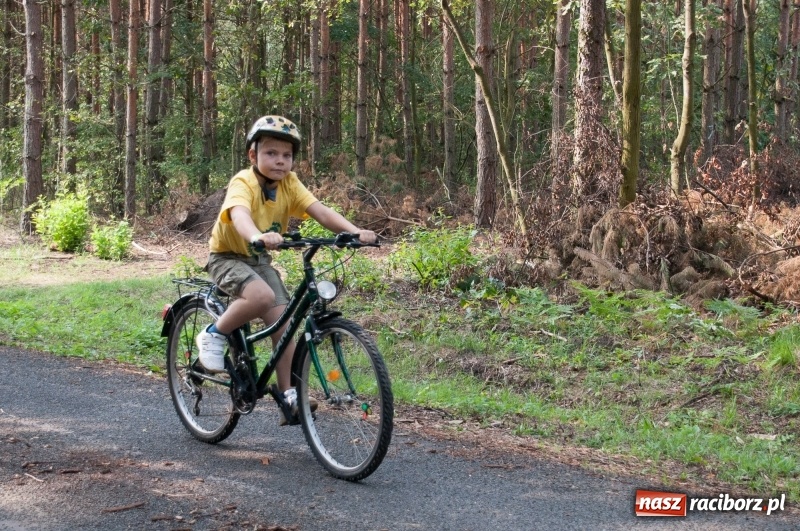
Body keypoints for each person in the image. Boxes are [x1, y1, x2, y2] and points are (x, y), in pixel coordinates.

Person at [197, 115, 377, 425]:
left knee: (284, 325)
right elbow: (239, 214)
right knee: (262, 296)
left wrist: (354, 231)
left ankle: (289, 394)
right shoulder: (244, 181)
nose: (280, 161)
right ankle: (214, 334)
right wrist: (256, 235)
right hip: (226, 256)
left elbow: (319, 210)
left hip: (258, 261)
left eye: (287, 155)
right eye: (271, 153)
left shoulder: (289, 183)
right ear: (253, 155)